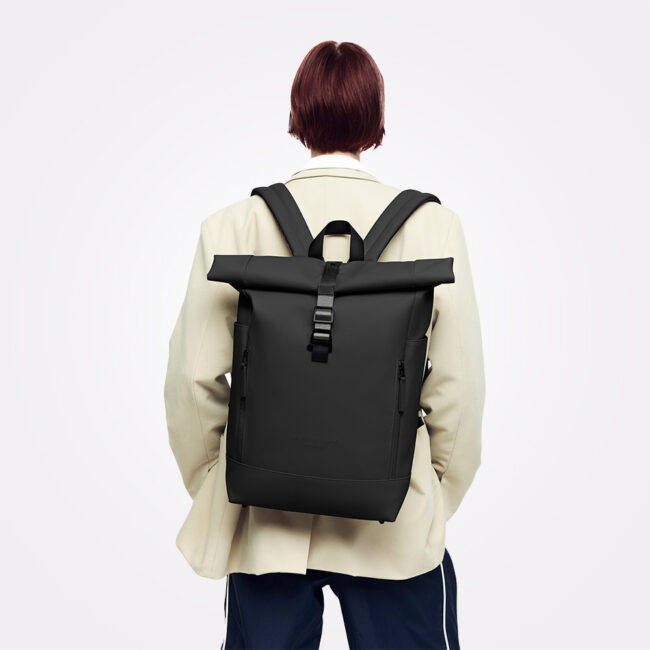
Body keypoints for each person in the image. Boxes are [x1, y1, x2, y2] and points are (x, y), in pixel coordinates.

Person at [164, 40, 485, 650]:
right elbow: (458, 388)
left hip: (265, 517)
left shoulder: (231, 226)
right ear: (376, 117)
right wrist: (431, 494)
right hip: (394, 519)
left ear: (298, 113)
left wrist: (223, 480)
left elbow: (191, 379)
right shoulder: (433, 227)